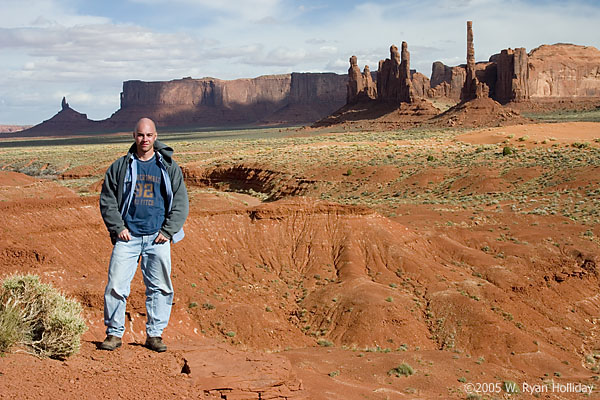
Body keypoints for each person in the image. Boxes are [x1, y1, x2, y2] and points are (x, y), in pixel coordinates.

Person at [98, 117, 189, 352]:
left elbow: (180, 202)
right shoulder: (120, 166)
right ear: (134, 136)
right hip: (128, 238)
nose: (144, 139)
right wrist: (118, 228)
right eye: (140, 135)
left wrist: (168, 231)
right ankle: (114, 334)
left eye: (149, 135)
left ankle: (155, 335)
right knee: (116, 285)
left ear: (155, 137)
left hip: (157, 238)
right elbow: (108, 201)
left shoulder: (168, 166)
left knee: (160, 287)